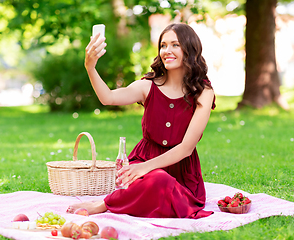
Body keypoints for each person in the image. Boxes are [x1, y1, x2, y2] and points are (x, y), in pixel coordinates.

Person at [67, 23, 215, 219]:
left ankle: (105, 204)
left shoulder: (203, 93)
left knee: (162, 182)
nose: (166, 51)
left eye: (175, 45)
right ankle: (131, 199)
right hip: (143, 159)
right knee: (156, 180)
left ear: (190, 49)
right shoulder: (147, 86)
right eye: (163, 45)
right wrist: (90, 67)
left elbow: (186, 148)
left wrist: (144, 168)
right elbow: (108, 98)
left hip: (181, 171)